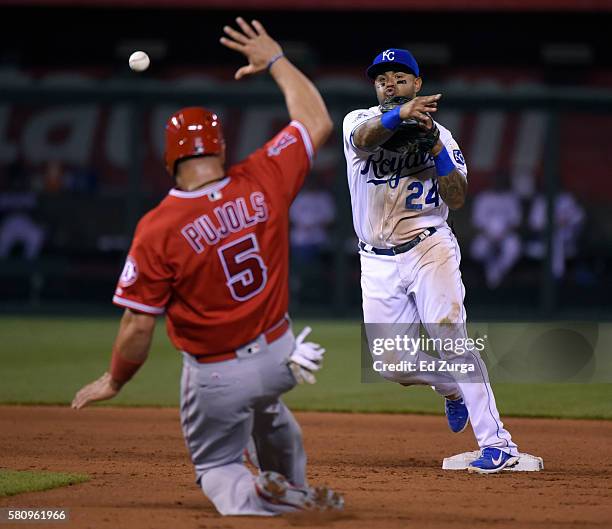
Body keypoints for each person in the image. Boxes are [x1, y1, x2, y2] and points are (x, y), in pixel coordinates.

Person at [72, 18, 343, 515]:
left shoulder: (158, 227)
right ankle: (294, 490)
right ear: (219, 147)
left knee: (218, 466)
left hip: (218, 375)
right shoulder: (263, 176)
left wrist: (115, 380)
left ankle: (258, 493)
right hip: (283, 355)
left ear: (169, 158)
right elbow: (315, 119)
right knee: (268, 412)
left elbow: (137, 324)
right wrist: (276, 61)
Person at [343, 48, 527, 473]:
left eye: (401, 77)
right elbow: (365, 140)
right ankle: (453, 390)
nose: (390, 82)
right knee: (390, 363)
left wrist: (436, 149)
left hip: (429, 246)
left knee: (451, 337)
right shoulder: (358, 120)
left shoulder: (441, 134)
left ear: (418, 84)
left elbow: (457, 196)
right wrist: (399, 115)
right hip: (376, 260)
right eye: (382, 77)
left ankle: (498, 444)